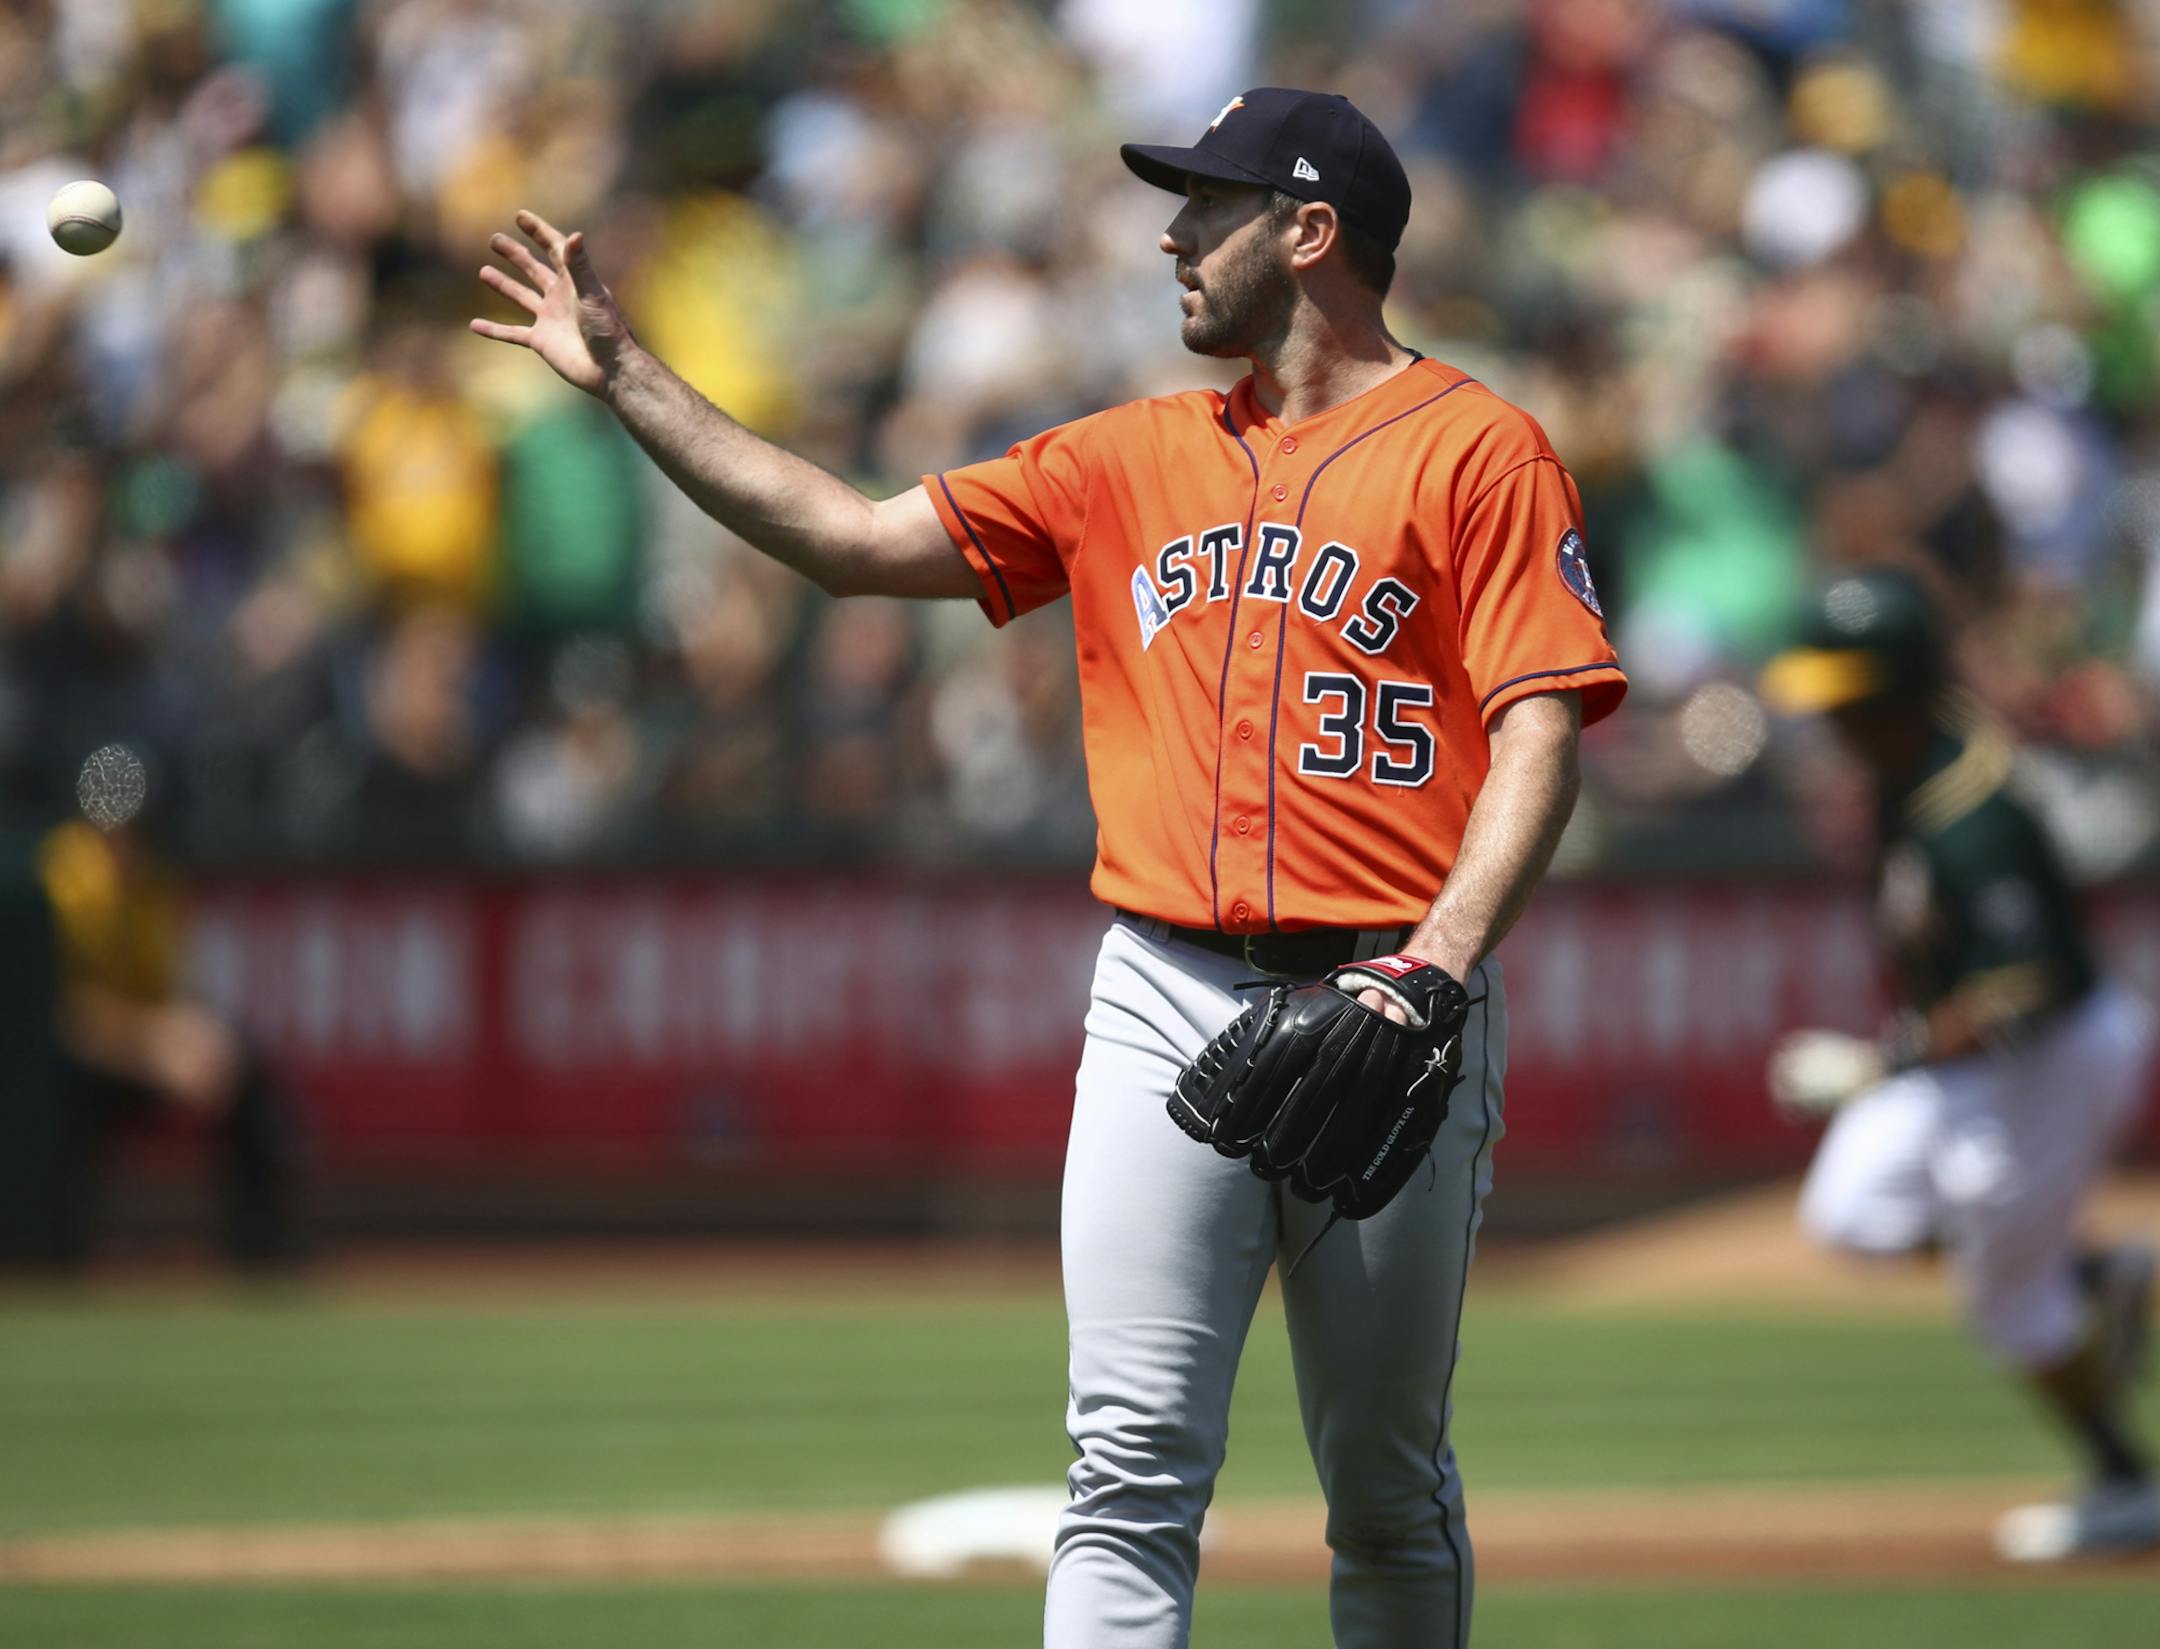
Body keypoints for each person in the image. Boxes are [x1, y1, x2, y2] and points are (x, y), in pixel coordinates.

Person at [474, 85, 1625, 1647]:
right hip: (1165, 989)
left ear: (1309, 233)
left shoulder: (1482, 451)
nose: (1172, 233)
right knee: (1131, 1464)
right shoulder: (1122, 458)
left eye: (1208, 208)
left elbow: (1542, 733)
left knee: (1384, 1483)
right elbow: (852, 541)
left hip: (1394, 994)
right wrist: (629, 381)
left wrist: (1433, 968)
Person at [1761, 567, 2158, 1563]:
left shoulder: (1971, 816)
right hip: (1973, 1059)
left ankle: (2128, 1477)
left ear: (1894, 691)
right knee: (1850, 1212)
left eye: (1845, 698)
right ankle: (2083, 1272)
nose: (1830, 720)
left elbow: (2032, 989)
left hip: (2055, 1056)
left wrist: (1881, 1061)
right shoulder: (1911, 774)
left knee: (2007, 1305)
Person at [37, 752, 302, 1267]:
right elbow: (65, 1018)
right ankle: (57, 1254)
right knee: (59, 1098)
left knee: (240, 1066)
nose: (129, 838)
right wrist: (152, 1044)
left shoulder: (152, 877)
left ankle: (258, 1249)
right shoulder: (64, 878)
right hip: (72, 1062)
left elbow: (170, 991)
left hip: (135, 1052)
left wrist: (192, 1038)